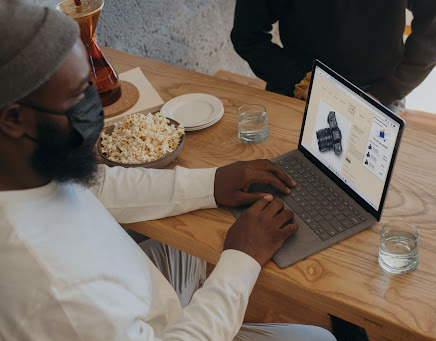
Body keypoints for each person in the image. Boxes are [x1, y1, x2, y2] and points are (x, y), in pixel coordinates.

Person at [0, 1, 336, 340]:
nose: (96, 102)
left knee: (188, 242)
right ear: (14, 119)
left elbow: (96, 185)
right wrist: (242, 259)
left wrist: (213, 182)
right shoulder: (57, 291)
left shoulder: (22, 168)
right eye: (78, 94)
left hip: (142, 294)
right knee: (319, 338)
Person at [231, 0, 436, 113]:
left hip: (378, 94)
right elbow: (247, 36)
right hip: (299, 90)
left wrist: (385, 92)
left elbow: (430, 35)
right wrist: (299, 82)